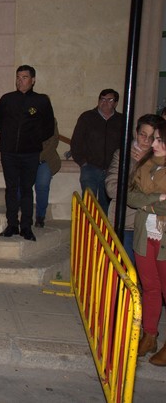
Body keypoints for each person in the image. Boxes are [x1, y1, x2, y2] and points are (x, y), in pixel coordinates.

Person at [0, 65, 54, 242]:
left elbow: (48, 128)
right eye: (18, 77)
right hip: (9, 152)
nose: (21, 81)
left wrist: (32, 140)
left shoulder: (41, 100)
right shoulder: (7, 99)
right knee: (11, 188)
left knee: (27, 189)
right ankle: (12, 224)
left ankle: (26, 226)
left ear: (33, 80)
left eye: (25, 77)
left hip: (30, 153)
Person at [127, 118, 166, 366]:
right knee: (150, 288)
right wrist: (156, 198)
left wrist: (147, 201)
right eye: (154, 139)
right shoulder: (145, 164)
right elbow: (130, 195)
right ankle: (150, 334)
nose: (154, 143)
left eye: (160, 140)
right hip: (145, 235)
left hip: (163, 238)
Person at [106, 114, 163, 265]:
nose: (146, 141)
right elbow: (112, 188)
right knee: (126, 269)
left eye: (152, 137)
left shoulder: (160, 159)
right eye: (143, 135)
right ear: (136, 133)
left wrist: (147, 163)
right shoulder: (123, 154)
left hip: (153, 227)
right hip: (128, 224)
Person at [70, 89, 124, 214]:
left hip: (112, 169)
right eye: (102, 99)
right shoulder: (87, 117)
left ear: (116, 103)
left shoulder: (121, 120)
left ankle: (102, 230)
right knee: (89, 201)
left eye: (109, 100)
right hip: (90, 167)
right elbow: (76, 142)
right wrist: (83, 162)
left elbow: (126, 143)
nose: (105, 102)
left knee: (106, 204)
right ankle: (88, 229)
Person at [34, 119, 61, 228]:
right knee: (21, 184)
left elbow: (53, 141)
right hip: (27, 157)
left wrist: (38, 157)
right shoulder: (25, 117)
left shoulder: (50, 120)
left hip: (45, 158)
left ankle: (40, 216)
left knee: (42, 185)